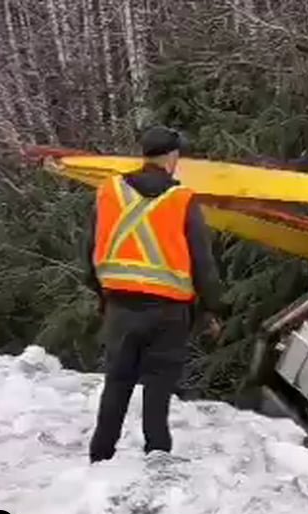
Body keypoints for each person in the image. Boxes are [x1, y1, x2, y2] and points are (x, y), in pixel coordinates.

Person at [81, 125, 225, 463]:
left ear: (143, 155)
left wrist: (101, 294)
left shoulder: (109, 192)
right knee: (158, 388)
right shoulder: (182, 200)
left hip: (120, 307)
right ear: (173, 157)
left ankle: (100, 456)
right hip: (169, 312)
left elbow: (88, 249)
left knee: (117, 382)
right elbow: (203, 263)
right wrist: (211, 310)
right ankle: (157, 458)